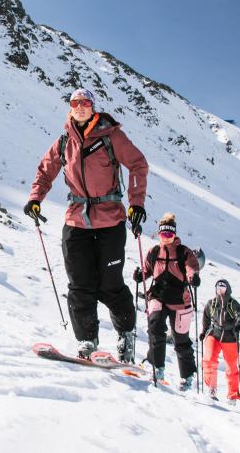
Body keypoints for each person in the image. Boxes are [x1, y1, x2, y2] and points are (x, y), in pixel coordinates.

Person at [25, 89, 149, 361]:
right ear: (70, 109)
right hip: (77, 220)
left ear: (93, 107)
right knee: (79, 285)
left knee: (109, 285)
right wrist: (35, 198)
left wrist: (136, 203)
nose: (80, 107)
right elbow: (45, 171)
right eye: (75, 103)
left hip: (110, 220)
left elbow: (138, 164)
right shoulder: (63, 142)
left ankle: (126, 336)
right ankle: (87, 342)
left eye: (85, 103)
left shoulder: (111, 136)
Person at [133, 213, 201, 389]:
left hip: (179, 299)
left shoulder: (183, 252)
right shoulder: (154, 252)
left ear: (174, 234)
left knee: (180, 339)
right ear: (159, 234)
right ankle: (157, 366)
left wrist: (193, 277)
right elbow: (147, 269)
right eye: (163, 235)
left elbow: (191, 267)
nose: (166, 239)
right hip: (158, 296)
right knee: (155, 326)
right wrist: (141, 275)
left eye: (169, 235)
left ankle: (187, 376)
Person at [199, 279, 240, 402]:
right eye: (218, 287)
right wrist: (204, 333)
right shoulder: (212, 303)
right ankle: (211, 388)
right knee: (209, 359)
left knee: (231, 366)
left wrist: (237, 326)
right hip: (214, 334)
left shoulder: (233, 304)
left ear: (227, 289)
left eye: (223, 288)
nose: (220, 290)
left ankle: (233, 395)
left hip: (229, 337)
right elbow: (206, 318)